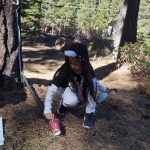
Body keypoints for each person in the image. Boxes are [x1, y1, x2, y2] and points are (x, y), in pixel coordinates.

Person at [44, 42, 109, 129]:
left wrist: (103, 88)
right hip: (67, 88)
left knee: (93, 89)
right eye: (71, 63)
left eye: (76, 63)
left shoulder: (88, 68)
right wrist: (47, 109)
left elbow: (93, 82)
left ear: (83, 61)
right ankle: (63, 104)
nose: (73, 66)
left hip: (81, 86)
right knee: (71, 101)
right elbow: (52, 89)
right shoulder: (65, 69)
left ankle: (90, 113)